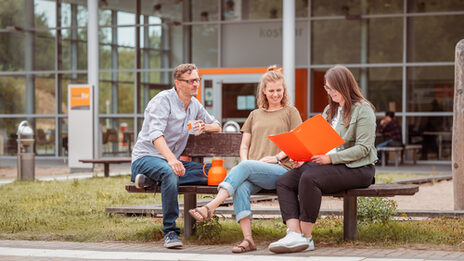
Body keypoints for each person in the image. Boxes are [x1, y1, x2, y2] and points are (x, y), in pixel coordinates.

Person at [188, 66, 302, 253]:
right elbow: (244, 146)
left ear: (284, 90)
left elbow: (297, 140)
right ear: (264, 91)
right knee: (240, 186)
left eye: (279, 90)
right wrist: (246, 163)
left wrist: (275, 157)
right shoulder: (254, 115)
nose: (275, 94)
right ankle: (248, 239)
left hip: (282, 170)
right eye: (271, 90)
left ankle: (212, 205)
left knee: (245, 168)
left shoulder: (291, 112)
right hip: (255, 170)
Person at [269, 65, 377, 253]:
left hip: (358, 168)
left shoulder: (363, 110)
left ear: (344, 85)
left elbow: (363, 149)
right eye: (327, 88)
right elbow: (321, 141)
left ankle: (307, 238)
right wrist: (304, 156)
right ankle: (294, 234)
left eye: (332, 88)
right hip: (328, 163)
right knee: (284, 181)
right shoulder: (330, 110)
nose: (330, 92)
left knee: (310, 178)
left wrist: (330, 158)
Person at [130, 63, 221, 249]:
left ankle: (150, 180)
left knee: (212, 172)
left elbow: (217, 125)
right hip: (146, 158)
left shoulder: (194, 105)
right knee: (170, 172)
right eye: (191, 81)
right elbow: (156, 135)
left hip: (169, 162)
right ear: (178, 84)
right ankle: (170, 231)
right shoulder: (162, 101)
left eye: (197, 80)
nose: (196, 84)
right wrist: (172, 160)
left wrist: (204, 127)